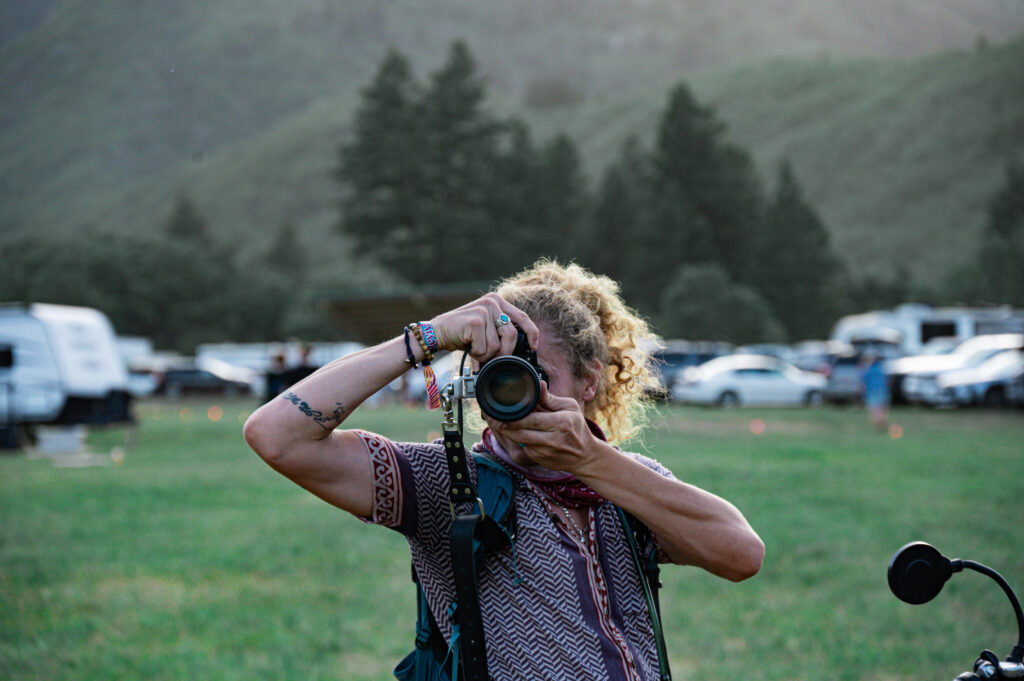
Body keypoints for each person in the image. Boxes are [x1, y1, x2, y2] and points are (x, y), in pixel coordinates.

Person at [243, 260, 764, 681]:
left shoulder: (628, 480)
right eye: (501, 376)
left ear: (589, 381)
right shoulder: (449, 482)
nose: (520, 395)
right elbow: (276, 435)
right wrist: (427, 337)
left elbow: (742, 554)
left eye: (539, 375)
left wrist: (590, 460)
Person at [860, 351, 890, 431]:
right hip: (883, 391)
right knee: (882, 409)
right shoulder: (882, 370)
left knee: (874, 410)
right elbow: (887, 381)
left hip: (871, 392)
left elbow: (863, 383)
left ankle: (878, 425)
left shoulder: (868, 371)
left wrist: (862, 393)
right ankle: (883, 422)